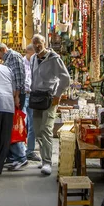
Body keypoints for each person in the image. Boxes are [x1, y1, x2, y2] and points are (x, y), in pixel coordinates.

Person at [30, 34, 70, 175]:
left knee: (46, 129)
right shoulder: (33, 58)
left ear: (44, 43)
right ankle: (43, 158)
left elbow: (65, 78)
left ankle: (47, 162)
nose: (36, 46)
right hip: (36, 98)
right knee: (37, 130)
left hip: (49, 98)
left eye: (39, 43)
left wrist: (57, 95)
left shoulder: (54, 59)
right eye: (34, 43)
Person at [0, 42, 28, 171]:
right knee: (10, 126)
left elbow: (19, 79)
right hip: (12, 96)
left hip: (16, 96)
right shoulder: (8, 59)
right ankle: (13, 156)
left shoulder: (14, 57)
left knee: (14, 126)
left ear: (3, 49)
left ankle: (21, 157)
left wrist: (17, 96)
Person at [23, 44, 41, 161]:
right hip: (23, 95)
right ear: (29, 52)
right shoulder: (22, 63)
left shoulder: (35, 62)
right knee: (22, 122)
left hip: (32, 96)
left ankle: (29, 150)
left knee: (33, 125)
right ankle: (19, 150)